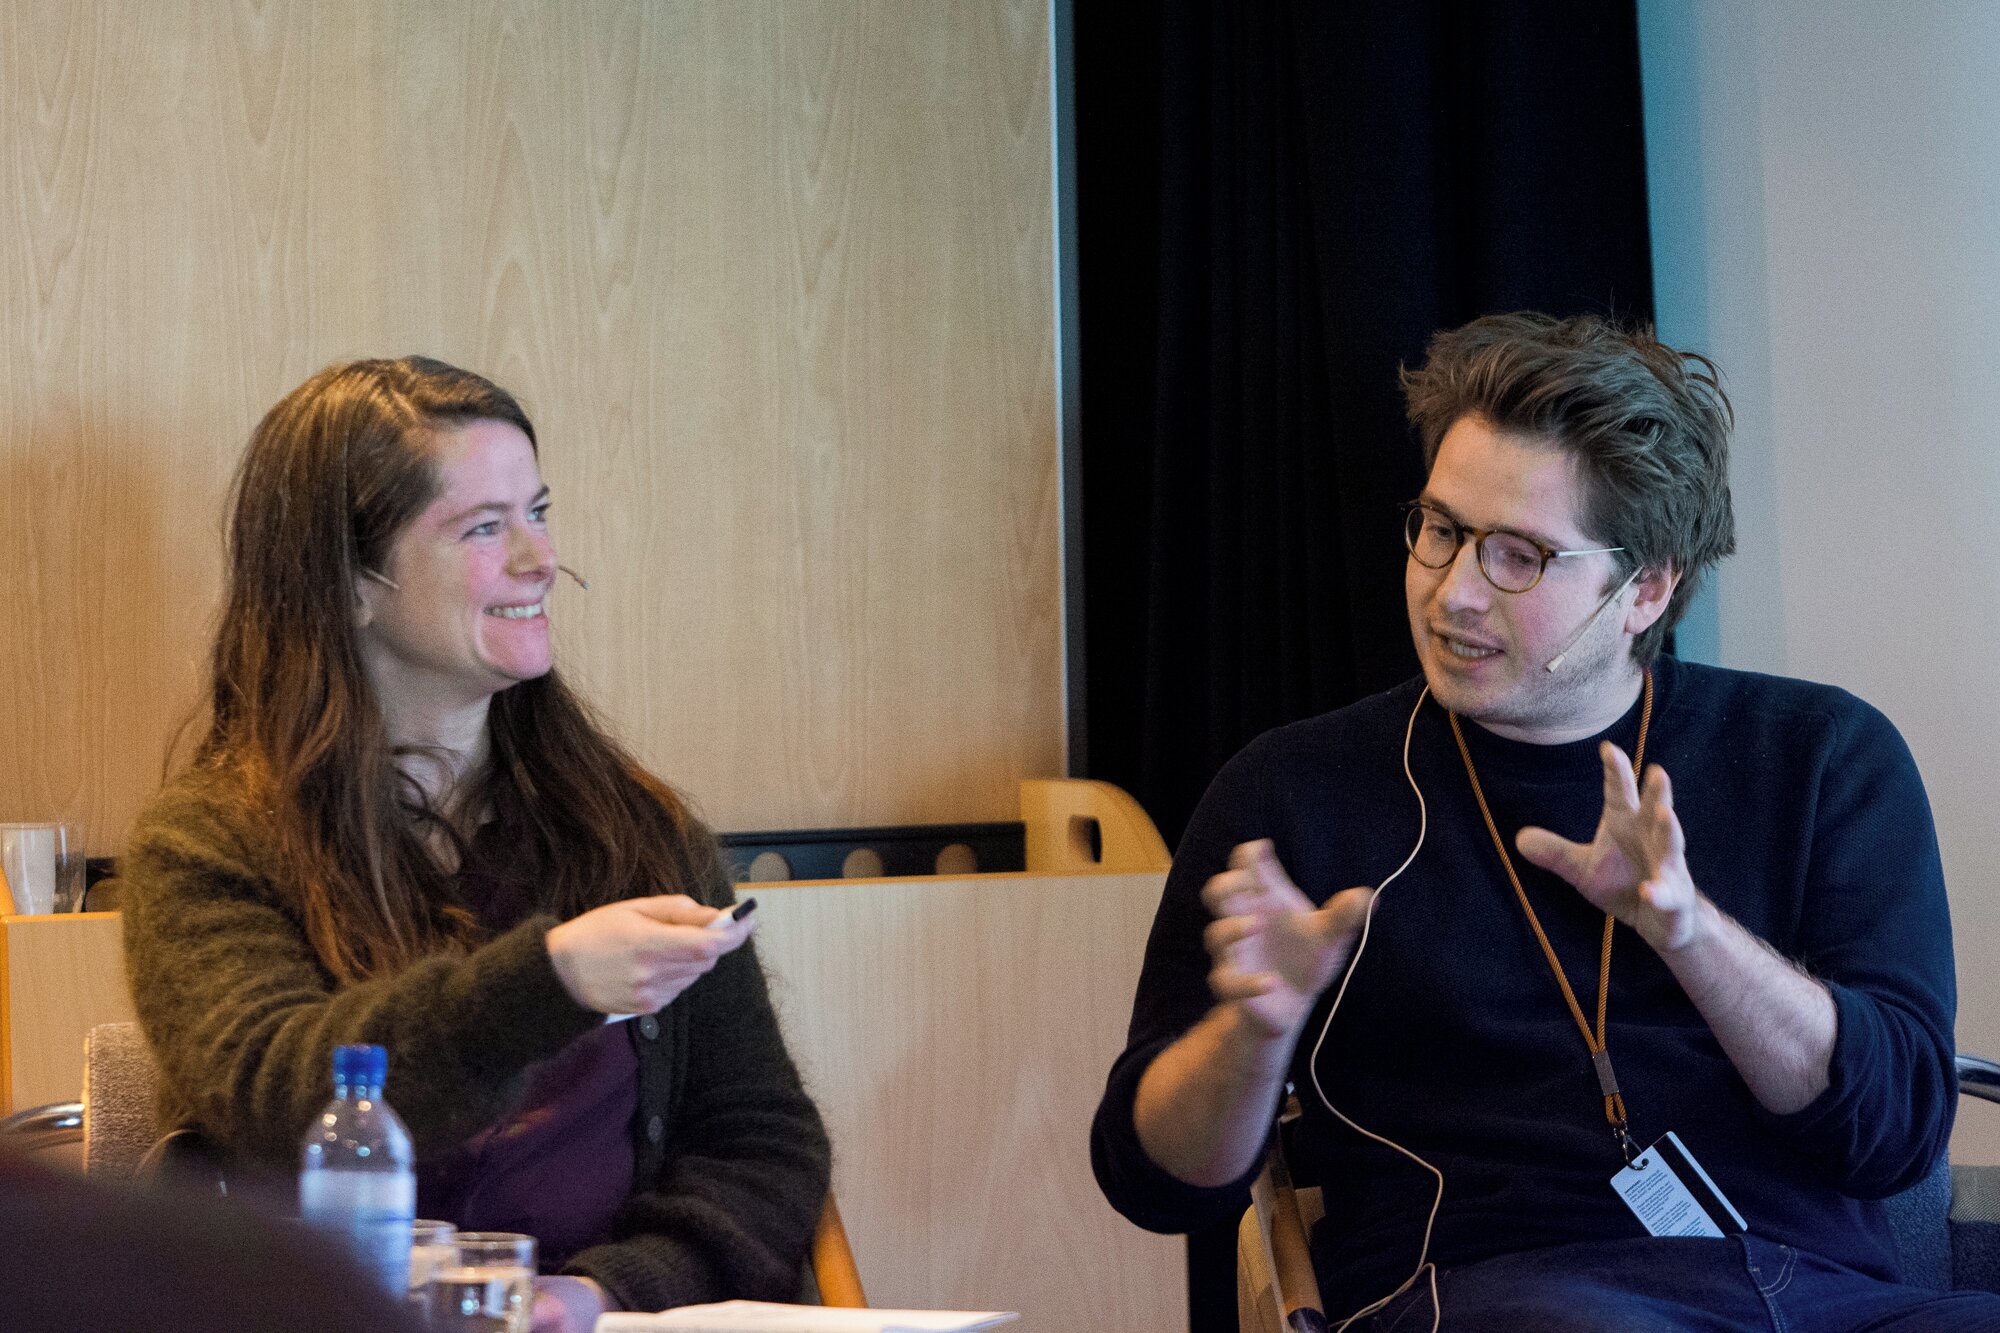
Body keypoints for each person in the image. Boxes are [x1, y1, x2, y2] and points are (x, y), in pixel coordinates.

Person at [1091, 313, 2000, 1331]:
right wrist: (1250, 1036)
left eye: (1517, 557)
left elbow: (1891, 1141)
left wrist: (1689, 932)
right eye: (1438, 530)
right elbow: (1155, 1185)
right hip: (1491, 1292)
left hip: (1819, 1297)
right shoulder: (1294, 794)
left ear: (1643, 588)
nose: (1451, 592)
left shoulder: (1821, 756)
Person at [122, 357, 830, 1331]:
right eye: (485, 528)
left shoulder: (638, 831)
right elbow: (282, 1100)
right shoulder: (208, 843)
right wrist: (549, 983)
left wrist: (602, 1291)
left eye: (537, 512)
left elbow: (758, 1142)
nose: (540, 559)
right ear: (349, 579)